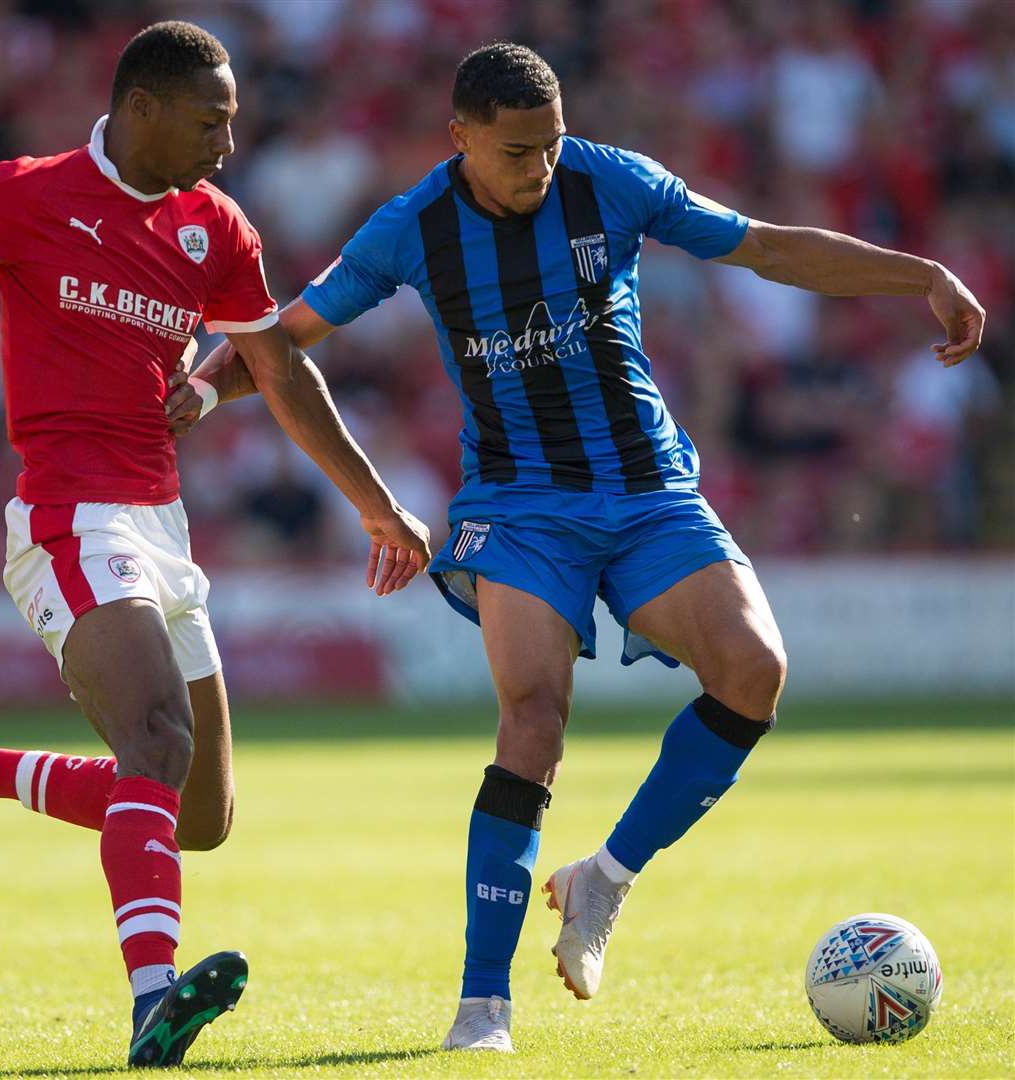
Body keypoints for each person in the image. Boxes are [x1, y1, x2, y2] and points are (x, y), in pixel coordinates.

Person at [172, 42, 985, 1053]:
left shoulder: (614, 180)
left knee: (754, 672)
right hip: (518, 506)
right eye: (517, 152)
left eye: (549, 148)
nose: (539, 169)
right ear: (460, 138)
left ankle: (604, 878)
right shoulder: (413, 227)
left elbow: (767, 246)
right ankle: (482, 1008)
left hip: (648, 488)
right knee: (534, 718)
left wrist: (923, 274)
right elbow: (281, 337)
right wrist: (204, 389)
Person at [0, 21, 431, 1068]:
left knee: (202, 813)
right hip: (66, 517)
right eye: (211, 119)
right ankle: (152, 1001)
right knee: (159, 746)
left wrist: (373, 500)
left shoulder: (216, 226)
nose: (230, 141)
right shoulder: (21, 193)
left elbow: (277, 368)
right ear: (142, 107)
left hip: (160, 524)